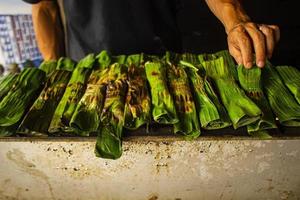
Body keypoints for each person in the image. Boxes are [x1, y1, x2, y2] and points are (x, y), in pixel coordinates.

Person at [24, 0, 280, 69]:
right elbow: (43, 6)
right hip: (89, 64)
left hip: (164, 62)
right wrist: (53, 66)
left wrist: (236, 21)